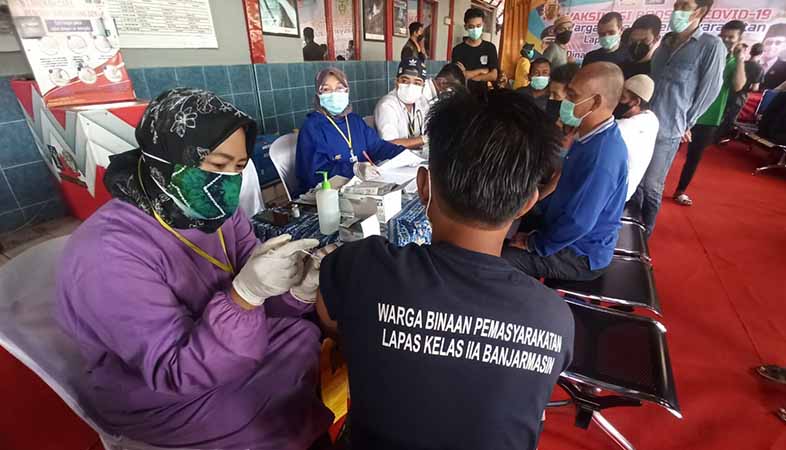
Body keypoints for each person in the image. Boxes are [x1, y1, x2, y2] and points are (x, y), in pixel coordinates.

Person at [56, 88, 333, 449]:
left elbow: (262, 307)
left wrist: (297, 289)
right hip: (164, 392)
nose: (228, 185)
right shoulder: (106, 254)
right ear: (165, 159)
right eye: (217, 166)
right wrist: (245, 296)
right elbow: (174, 370)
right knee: (267, 416)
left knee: (304, 335)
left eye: (238, 168)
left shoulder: (215, 213)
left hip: (226, 347)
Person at [315, 89, 574, 450]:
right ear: (526, 204)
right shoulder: (554, 319)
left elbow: (328, 316)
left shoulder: (361, 265)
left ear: (424, 186)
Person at [503, 63, 628, 281]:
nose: (565, 101)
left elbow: (578, 222)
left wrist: (533, 243)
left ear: (595, 102)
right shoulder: (589, 136)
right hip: (561, 222)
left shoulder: (602, 157)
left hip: (580, 253)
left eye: (572, 96)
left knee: (500, 260)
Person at [633, 0, 726, 235]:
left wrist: (687, 122)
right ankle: (633, 229)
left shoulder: (710, 46)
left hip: (669, 128)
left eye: (684, 6)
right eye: (676, 5)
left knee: (652, 186)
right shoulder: (665, 43)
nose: (677, 11)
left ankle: (645, 234)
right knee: (636, 180)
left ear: (700, 11)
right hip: (644, 123)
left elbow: (709, 91)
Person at [672, 20, 747, 207]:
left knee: (694, 157)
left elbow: (738, 86)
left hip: (709, 118)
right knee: (670, 150)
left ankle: (681, 190)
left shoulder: (733, 62)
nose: (726, 40)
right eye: (724, 35)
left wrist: (740, 58)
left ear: (739, 39)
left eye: (731, 37)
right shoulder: (709, 54)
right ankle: (655, 184)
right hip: (686, 112)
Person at [295, 68, 404, 193]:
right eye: (326, 89)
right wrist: (353, 169)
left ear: (347, 91)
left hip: (361, 189)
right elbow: (314, 174)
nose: (334, 94)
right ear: (318, 95)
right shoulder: (312, 127)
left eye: (339, 88)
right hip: (326, 195)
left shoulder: (354, 120)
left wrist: (404, 153)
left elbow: (378, 147)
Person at [615, 75, 659, 201]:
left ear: (636, 102)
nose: (617, 100)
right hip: (627, 191)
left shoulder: (626, 127)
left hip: (614, 195)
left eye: (622, 97)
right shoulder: (651, 119)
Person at [374, 58, 430, 149]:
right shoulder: (387, 105)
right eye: (405, 81)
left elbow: (430, 128)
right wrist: (424, 139)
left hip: (420, 155)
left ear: (423, 86)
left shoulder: (422, 102)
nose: (410, 86)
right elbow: (390, 144)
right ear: (396, 82)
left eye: (417, 83)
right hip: (396, 156)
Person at [451, 8, 499, 97]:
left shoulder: (490, 48)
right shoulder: (458, 50)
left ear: (483, 25)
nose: (475, 29)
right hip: (463, 97)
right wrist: (482, 70)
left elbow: (493, 75)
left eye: (478, 26)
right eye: (471, 27)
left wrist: (472, 76)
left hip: (483, 97)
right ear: (465, 27)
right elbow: (459, 77)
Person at [621, 14, 662, 79]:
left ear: (656, 39)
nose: (638, 44)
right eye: (633, 40)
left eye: (644, 40)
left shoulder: (658, 70)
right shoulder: (622, 64)